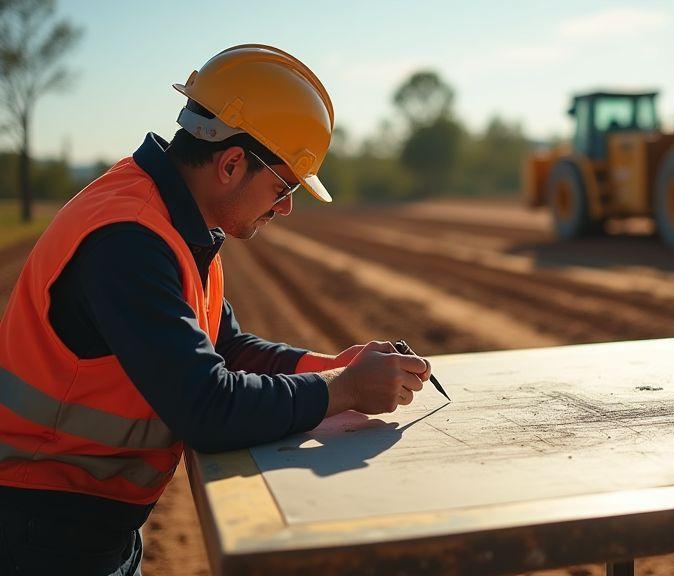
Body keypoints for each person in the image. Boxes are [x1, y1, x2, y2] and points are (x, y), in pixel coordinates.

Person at [0, 44, 431, 576]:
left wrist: (333, 366)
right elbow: (206, 407)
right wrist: (345, 389)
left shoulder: (177, 224)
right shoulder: (129, 240)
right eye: (284, 186)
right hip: (37, 530)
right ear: (230, 163)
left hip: (85, 520)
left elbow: (226, 347)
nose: (287, 207)